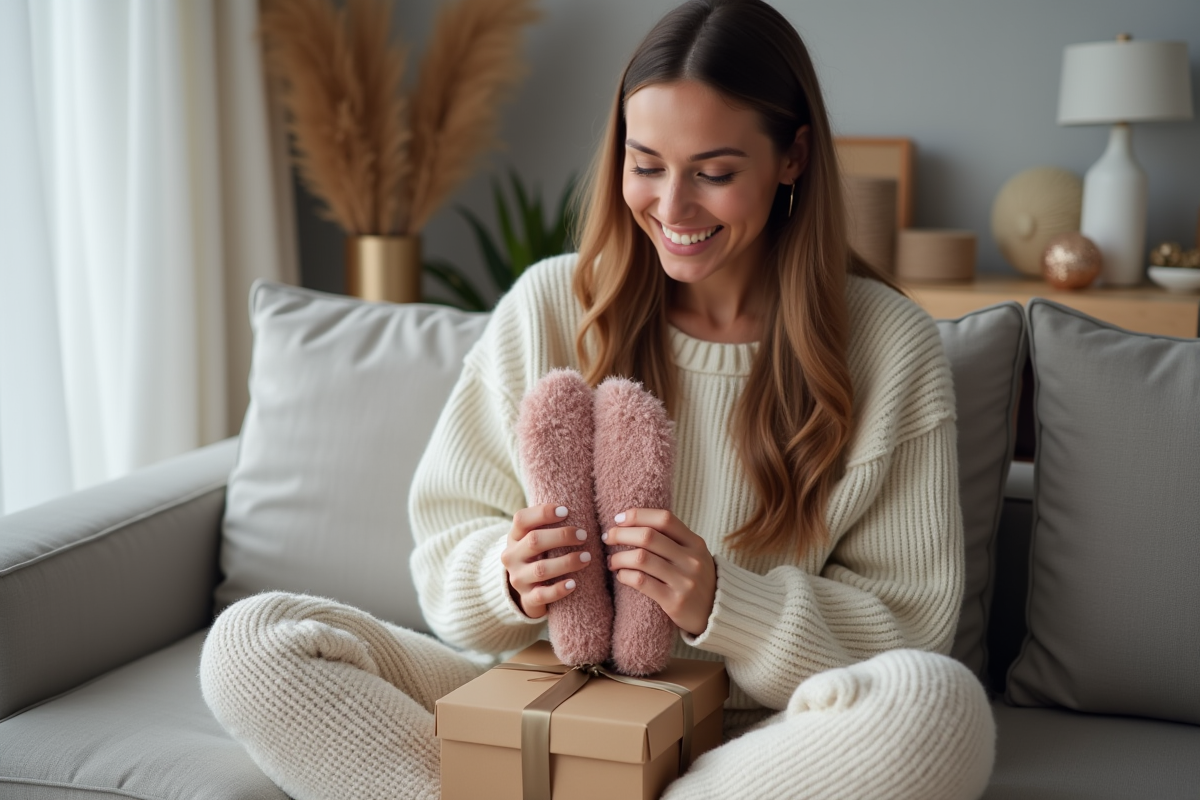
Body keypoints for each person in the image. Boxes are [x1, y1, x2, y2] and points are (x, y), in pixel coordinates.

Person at [199, 1, 996, 798]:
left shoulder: (888, 346)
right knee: (253, 642)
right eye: (646, 165)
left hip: (752, 739)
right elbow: (443, 551)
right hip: (537, 705)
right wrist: (507, 577)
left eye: (714, 173)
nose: (673, 209)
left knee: (936, 704)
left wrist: (726, 602)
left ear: (794, 156)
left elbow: (907, 630)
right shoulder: (549, 305)